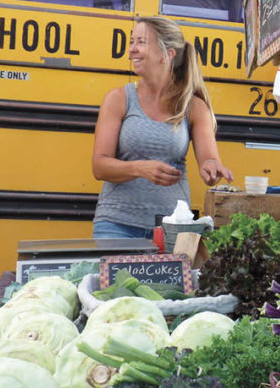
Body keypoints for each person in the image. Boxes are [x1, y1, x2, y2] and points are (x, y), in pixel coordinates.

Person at [92, 16, 233, 239]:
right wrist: (140, 169)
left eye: (141, 42)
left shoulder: (194, 106)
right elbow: (99, 166)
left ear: (167, 54)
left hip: (172, 228)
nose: (132, 50)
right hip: (116, 225)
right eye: (132, 42)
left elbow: (209, 160)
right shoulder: (118, 99)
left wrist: (213, 169)